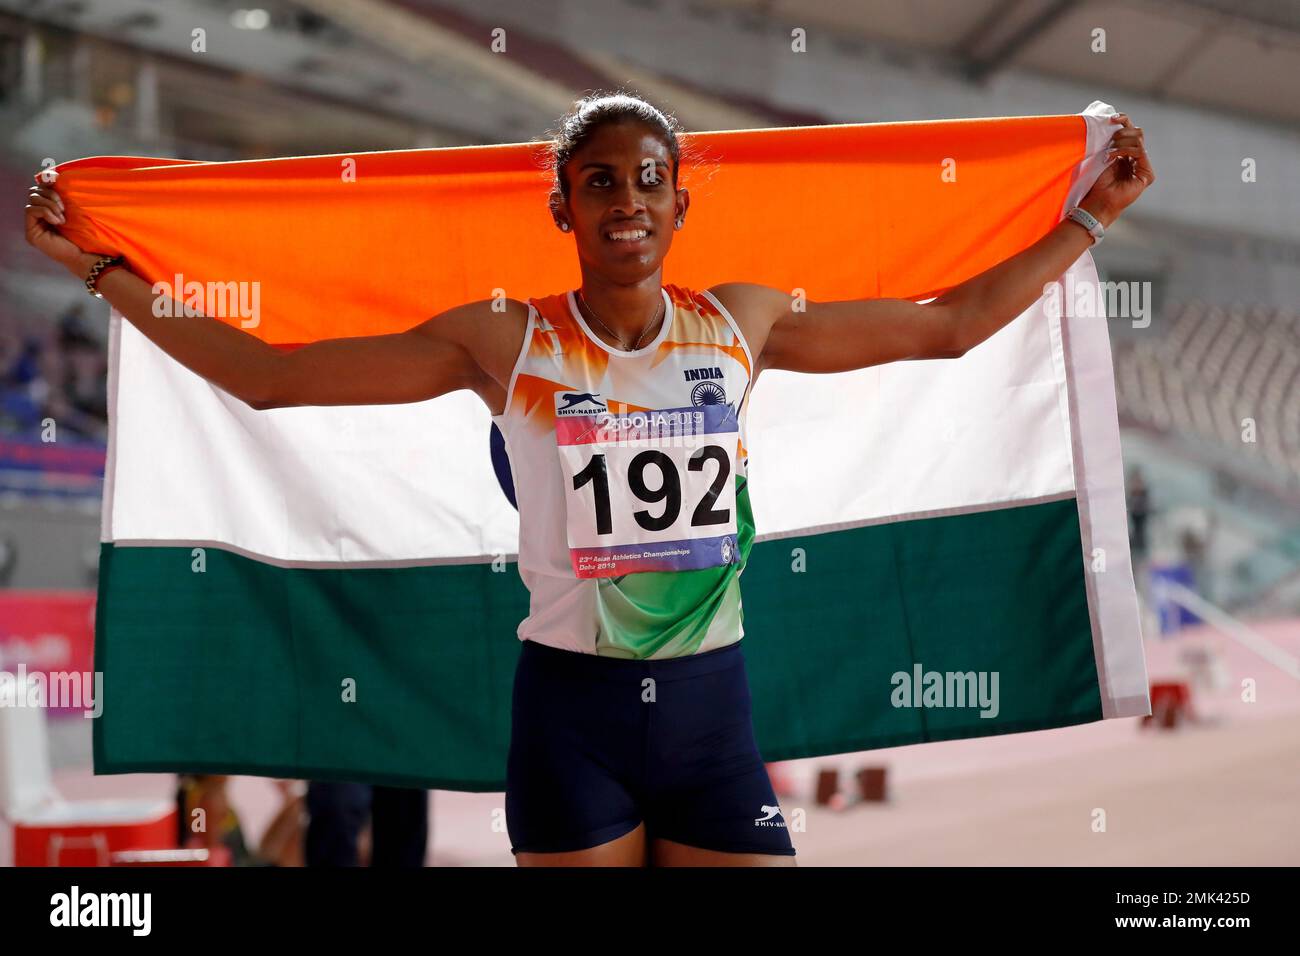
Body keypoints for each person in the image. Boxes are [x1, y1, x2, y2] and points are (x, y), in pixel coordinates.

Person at [24, 92, 1154, 867]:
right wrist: (108, 272)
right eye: (599, 180)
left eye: (649, 180)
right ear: (562, 207)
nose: (627, 198)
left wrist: (1089, 218)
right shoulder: (502, 340)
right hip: (572, 718)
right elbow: (266, 377)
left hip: (714, 713)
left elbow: (948, 326)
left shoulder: (740, 322)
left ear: (679, 203)